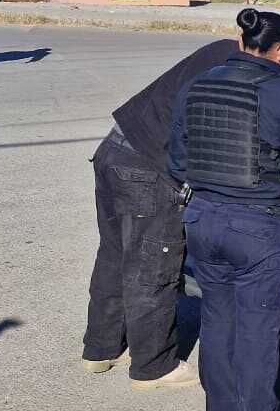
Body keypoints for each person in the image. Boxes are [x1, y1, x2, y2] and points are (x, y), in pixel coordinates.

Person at [169, 9, 280, 411]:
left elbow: (177, 161)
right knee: (256, 330)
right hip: (256, 228)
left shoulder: (198, 84)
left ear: (241, 41)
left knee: (217, 321)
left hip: (200, 220)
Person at [81, 38, 238, 388]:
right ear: (278, 51)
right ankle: (154, 367)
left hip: (113, 150)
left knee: (114, 256)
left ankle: (100, 349)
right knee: (152, 267)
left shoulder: (222, 49)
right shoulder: (242, 76)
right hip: (148, 169)